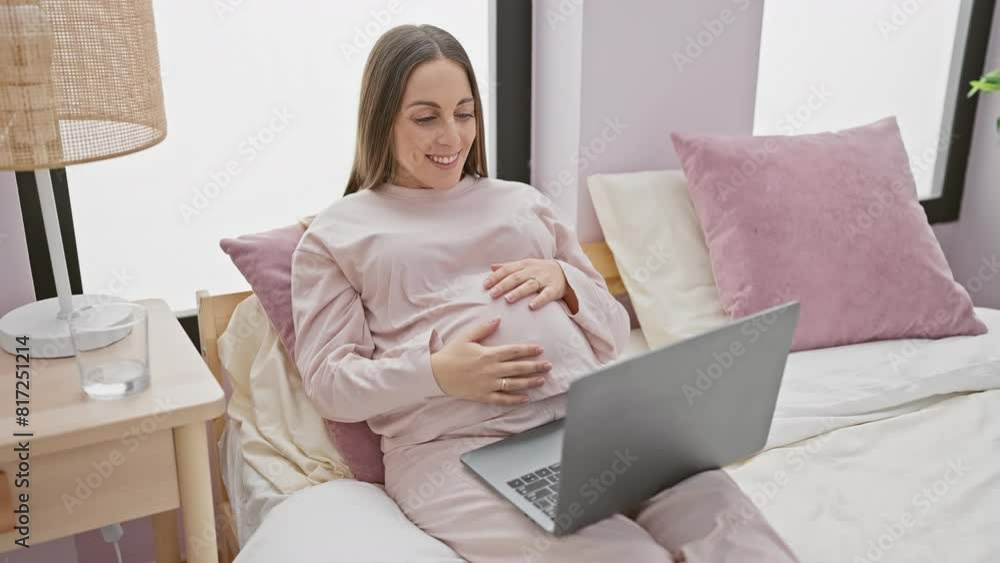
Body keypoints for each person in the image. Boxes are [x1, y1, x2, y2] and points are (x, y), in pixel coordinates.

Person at [290, 23, 799, 563]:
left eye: (464, 114)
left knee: (732, 528)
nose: (452, 137)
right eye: (426, 117)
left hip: (593, 426)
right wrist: (437, 372)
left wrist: (569, 285)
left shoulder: (521, 203)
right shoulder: (336, 235)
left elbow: (608, 337)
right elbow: (330, 384)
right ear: (380, 118)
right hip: (457, 453)